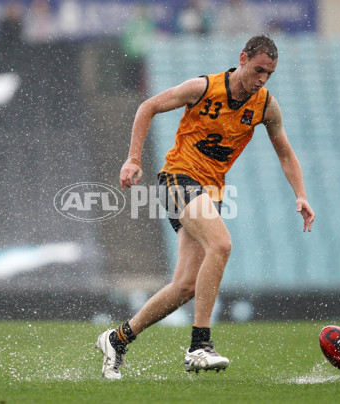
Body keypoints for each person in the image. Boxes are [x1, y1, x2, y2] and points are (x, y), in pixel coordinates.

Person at [96, 34, 315, 380]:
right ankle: (200, 345)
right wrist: (133, 159)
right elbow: (147, 107)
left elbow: (285, 152)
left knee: (185, 286)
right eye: (258, 70)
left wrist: (300, 194)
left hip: (210, 192)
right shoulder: (203, 87)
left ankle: (117, 339)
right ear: (242, 58)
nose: (262, 79)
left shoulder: (265, 106)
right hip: (178, 178)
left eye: (269, 74)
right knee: (222, 244)